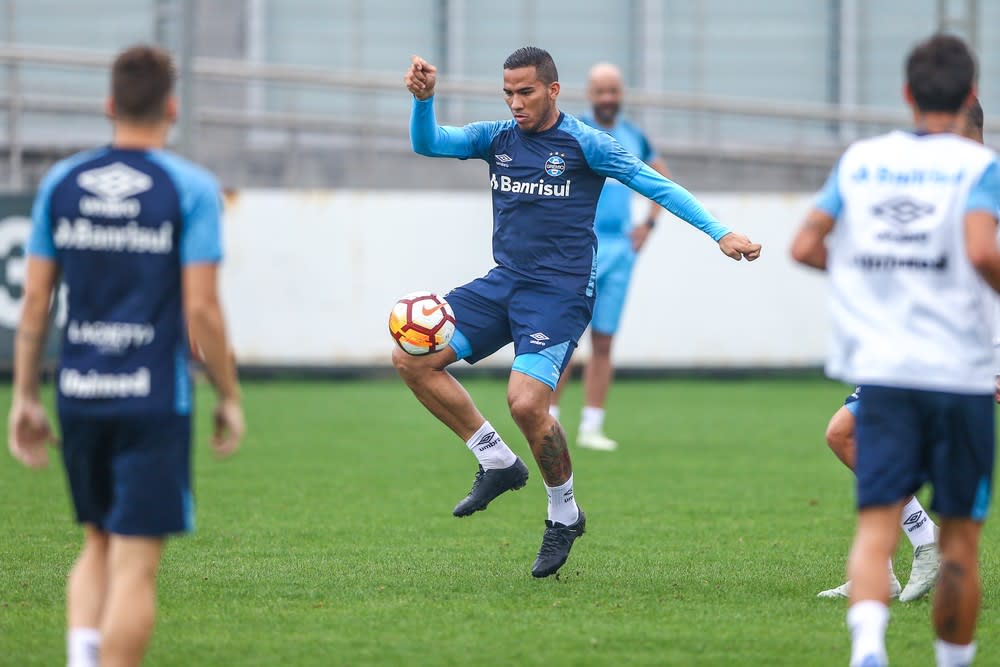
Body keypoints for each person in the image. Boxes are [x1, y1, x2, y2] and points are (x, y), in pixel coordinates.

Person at [398, 46, 761, 578]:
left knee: (526, 403)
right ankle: (496, 460)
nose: (516, 103)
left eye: (526, 92)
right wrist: (424, 101)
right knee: (410, 357)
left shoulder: (586, 144)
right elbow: (428, 143)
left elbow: (654, 183)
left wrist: (720, 232)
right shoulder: (496, 138)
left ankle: (563, 514)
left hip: (560, 293)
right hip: (505, 283)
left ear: (553, 89)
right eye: (508, 93)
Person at [7, 45, 244, 667]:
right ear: (172, 107)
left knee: (96, 544)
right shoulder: (189, 188)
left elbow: (35, 304)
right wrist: (229, 396)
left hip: (80, 393)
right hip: (152, 399)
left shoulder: (61, 182)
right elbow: (202, 311)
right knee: (136, 566)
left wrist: (25, 398)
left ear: (110, 106)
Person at [791, 34, 999, 667]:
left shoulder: (860, 162)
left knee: (874, 519)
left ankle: (870, 649)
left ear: (907, 95)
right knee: (961, 536)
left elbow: (804, 246)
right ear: (968, 96)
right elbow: (984, 253)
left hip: (886, 366)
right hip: (960, 372)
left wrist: (868, 276)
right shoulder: (978, 170)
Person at [815, 100, 985, 603]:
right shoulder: (932, 183)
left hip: (957, 357)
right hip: (906, 347)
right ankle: (902, 558)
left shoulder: (983, 185)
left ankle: (920, 562)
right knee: (846, 433)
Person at [548, 63, 672, 451]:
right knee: (564, 336)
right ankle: (548, 417)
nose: (607, 98)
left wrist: (648, 224)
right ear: (588, 93)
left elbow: (661, 179)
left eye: (613, 91)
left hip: (620, 251)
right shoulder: (572, 131)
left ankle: (592, 425)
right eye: (600, 91)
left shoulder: (635, 136)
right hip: (578, 248)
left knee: (604, 341)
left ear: (621, 93)